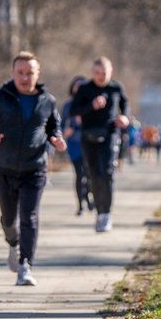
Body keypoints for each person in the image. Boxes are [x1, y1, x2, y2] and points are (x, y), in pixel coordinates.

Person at [0, 51, 66, 286]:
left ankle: (26, 266)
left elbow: (54, 126)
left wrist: (56, 138)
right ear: (13, 73)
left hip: (35, 169)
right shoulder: (0, 97)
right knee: (9, 219)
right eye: (20, 73)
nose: (25, 78)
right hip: (4, 168)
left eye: (29, 73)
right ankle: (13, 243)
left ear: (37, 74)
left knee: (29, 217)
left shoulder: (47, 100)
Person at [69, 56, 130, 233]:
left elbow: (125, 103)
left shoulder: (116, 87)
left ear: (110, 72)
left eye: (104, 73)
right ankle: (99, 211)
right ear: (92, 73)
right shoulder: (85, 89)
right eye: (97, 73)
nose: (101, 76)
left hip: (110, 133)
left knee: (107, 172)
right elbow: (74, 110)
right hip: (88, 135)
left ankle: (106, 213)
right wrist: (91, 106)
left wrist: (124, 116)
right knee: (94, 174)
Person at [62, 76, 93, 216]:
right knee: (79, 174)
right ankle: (80, 205)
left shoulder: (90, 104)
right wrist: (65, 130)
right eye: (76, 86)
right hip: (74, 144)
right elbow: (61, 123)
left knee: (90, 175)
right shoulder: (68, 105)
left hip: (89, 143)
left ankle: (88, 197)